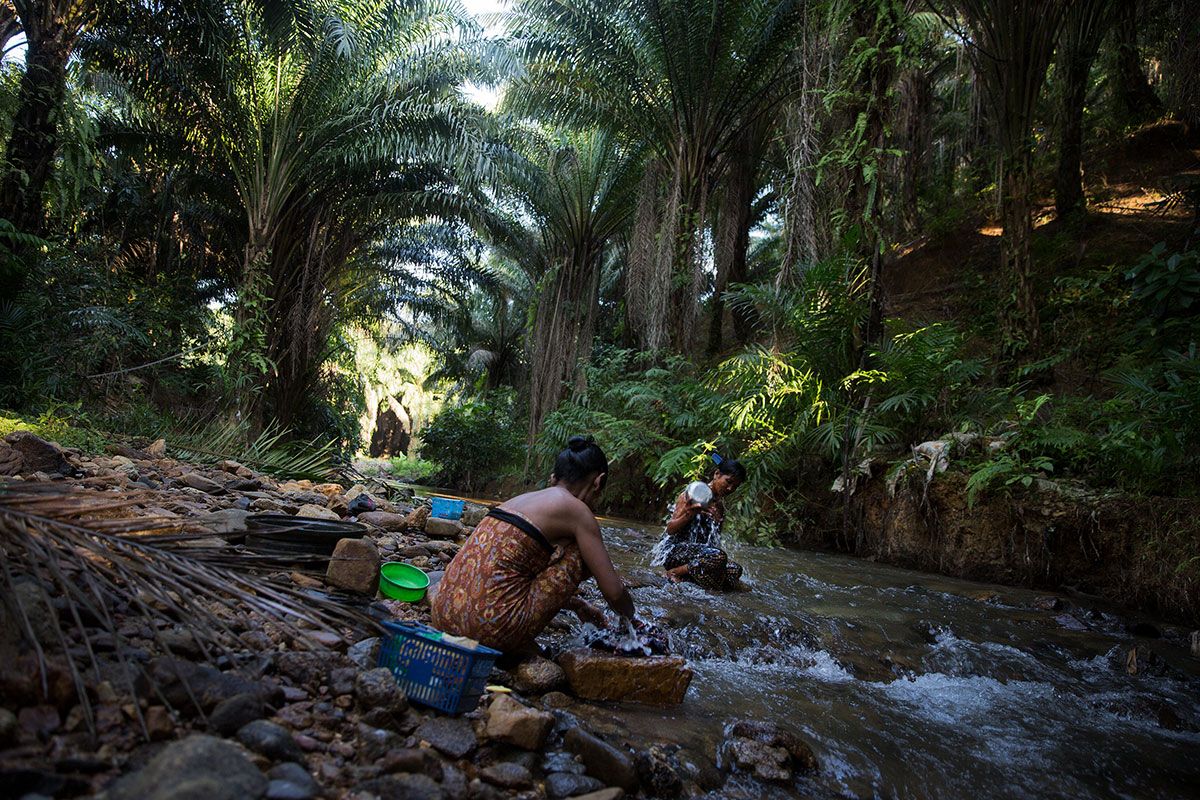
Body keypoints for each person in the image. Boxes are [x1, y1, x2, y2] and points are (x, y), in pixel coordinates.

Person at [430, 435, 636, 654]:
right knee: (577, 552)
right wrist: (633, 623)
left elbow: (499, 574)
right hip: (485, 630)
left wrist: (577, 605)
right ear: (598, 482)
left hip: (442, 613)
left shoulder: (519, 501)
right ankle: (511, 641)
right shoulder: (577, 512)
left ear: (553, 478)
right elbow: (614, 593)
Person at [658, 458, 747, 591]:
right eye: (728, 482)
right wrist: (689, 514)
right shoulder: (693, 494)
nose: (730, 488)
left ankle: (693, 578)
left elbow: (713, 543)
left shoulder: (719, 507)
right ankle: (674, 572)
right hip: (675, 552)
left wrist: (717, 523)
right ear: (717, 474)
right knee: (718, 557)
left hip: (698, 558)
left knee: (734, 570)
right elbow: (670, 530)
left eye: (735, 487)